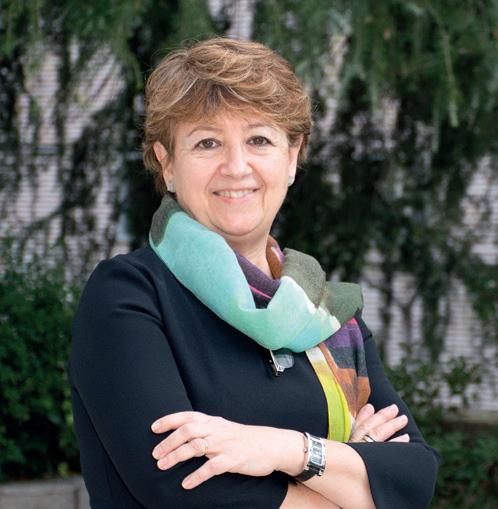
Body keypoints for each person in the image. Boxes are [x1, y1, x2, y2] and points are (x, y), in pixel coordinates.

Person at [69, 37, 440, 508]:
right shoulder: (130, 295)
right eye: (207, 143)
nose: (236, 166)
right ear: (167, 164)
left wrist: (285, 449)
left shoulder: (326, 314)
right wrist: (352, 470)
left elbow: (414, 477)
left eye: (259, 140)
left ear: (292, 156)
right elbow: (181, 485)